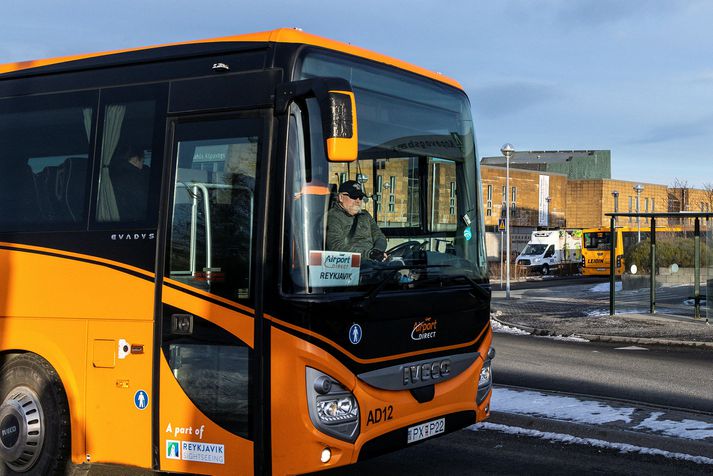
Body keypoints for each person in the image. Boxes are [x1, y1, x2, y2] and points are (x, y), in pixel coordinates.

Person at [326, 180, 387, 260]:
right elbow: (336, 246)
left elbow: (379, 236)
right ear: (341, 197)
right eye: (354, 196)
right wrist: (368, 254)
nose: (358, 201)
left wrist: (377, 251)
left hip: (373, 262)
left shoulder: (365, 215)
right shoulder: (334, 216)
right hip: (351, 265)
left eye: (360, 197)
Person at [111, 145, 151, 221]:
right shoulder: (137, 178)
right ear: (135, 159)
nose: (142, 166)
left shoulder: (108, 173)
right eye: (142, 161)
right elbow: (143, 205)